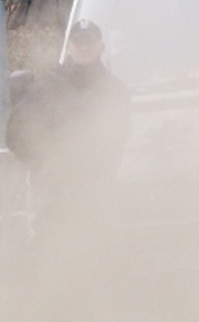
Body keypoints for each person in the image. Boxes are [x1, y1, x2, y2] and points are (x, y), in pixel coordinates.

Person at [8, 19, 130, 245]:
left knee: (101, 261)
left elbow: (118, 141)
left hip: (97, 199)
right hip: (54, 199)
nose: (83, 47)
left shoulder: (115, 92)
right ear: (69, 46)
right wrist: (44, 164)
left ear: (101, 47)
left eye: (89, 42)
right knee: (55, 264)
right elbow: (16, 134)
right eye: (78, 42)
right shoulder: (47, 87)